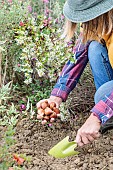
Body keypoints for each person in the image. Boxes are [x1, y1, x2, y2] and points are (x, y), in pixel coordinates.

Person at [37, 0, 113, 146]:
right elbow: (77, 58)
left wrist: (96, 116)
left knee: (102, 94)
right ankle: (109, 115)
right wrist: (55, 98)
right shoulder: (102, 23)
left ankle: (107, 112)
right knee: (95, 48)